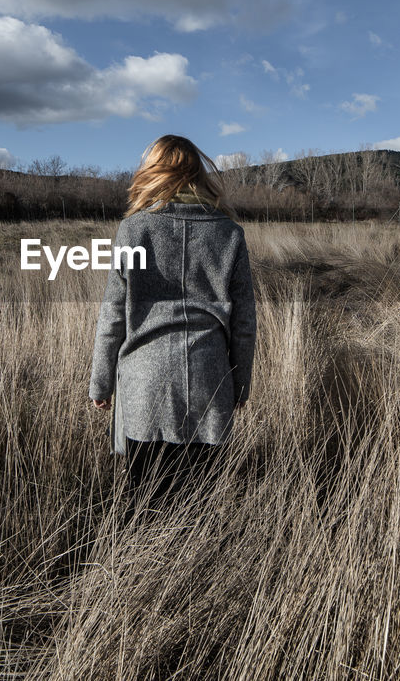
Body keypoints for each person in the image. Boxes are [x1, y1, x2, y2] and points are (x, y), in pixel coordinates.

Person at [89, 135, 257, 518]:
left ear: (155, 172)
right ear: (198, 173)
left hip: (145, 387)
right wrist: (240, 385)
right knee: (198, 511)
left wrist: (101, 382)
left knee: (144, 508)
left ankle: (143, 576)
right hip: (209, 381)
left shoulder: (134, 231)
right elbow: (244, 320)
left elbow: (113, 313)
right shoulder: (229, 233)